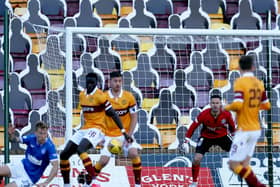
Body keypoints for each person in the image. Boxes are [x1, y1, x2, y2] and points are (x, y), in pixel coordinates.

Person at [59, 72, 133, 187]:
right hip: (86, 128)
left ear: (97, 83)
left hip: (98, 128)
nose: (89, 85)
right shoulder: (82, 95)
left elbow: (113, 114)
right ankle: (66, 185)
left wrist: (124, 132)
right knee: (64, 155)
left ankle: (93, 178)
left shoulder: (100, 96)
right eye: (88, 82)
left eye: (92, 83)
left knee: (81, 149)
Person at [225, 55, 271, 187]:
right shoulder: (259, 83)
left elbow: (238, 105)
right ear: (253, 67)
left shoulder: (240, 82)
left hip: (244, 130)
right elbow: (267, 105)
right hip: (256, 129)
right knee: (245, 164)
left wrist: (226, 107)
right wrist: (253, 107)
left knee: (233, 164)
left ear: (239, 67)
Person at [92, 71, 141, 187]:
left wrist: (129, 135)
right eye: (115, 81)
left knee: (134, 153)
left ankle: (138, 184)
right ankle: (89, 180)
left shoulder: (129, 97)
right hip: (108, 135)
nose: (118, 84)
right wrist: (100, 136)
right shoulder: (103, 97)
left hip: (125, 134)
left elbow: (134, 117)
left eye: (119, 81)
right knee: (103, 161)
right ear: (110, 82)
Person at [183, 94, 235, 187]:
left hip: (222, 136)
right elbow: (193, 127)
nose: (215, 105)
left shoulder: (226, 114)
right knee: (196, 159)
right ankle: (194, 182)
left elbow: (232, 128)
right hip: (206, 137)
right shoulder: (204, 114)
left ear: (220, 104)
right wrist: (186, 141)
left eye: (217, 103)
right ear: (210, 104)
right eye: (213, 103)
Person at [0, 121, 59, 187]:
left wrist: (46, 182)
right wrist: (10, 134)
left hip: (29, 177)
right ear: (35, 133)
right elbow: (14, 140)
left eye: (44, 134)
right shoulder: (31, 138)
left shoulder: (50, 146)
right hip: (21, 166)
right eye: (40, 133)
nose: (43, 136)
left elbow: (55, 166)